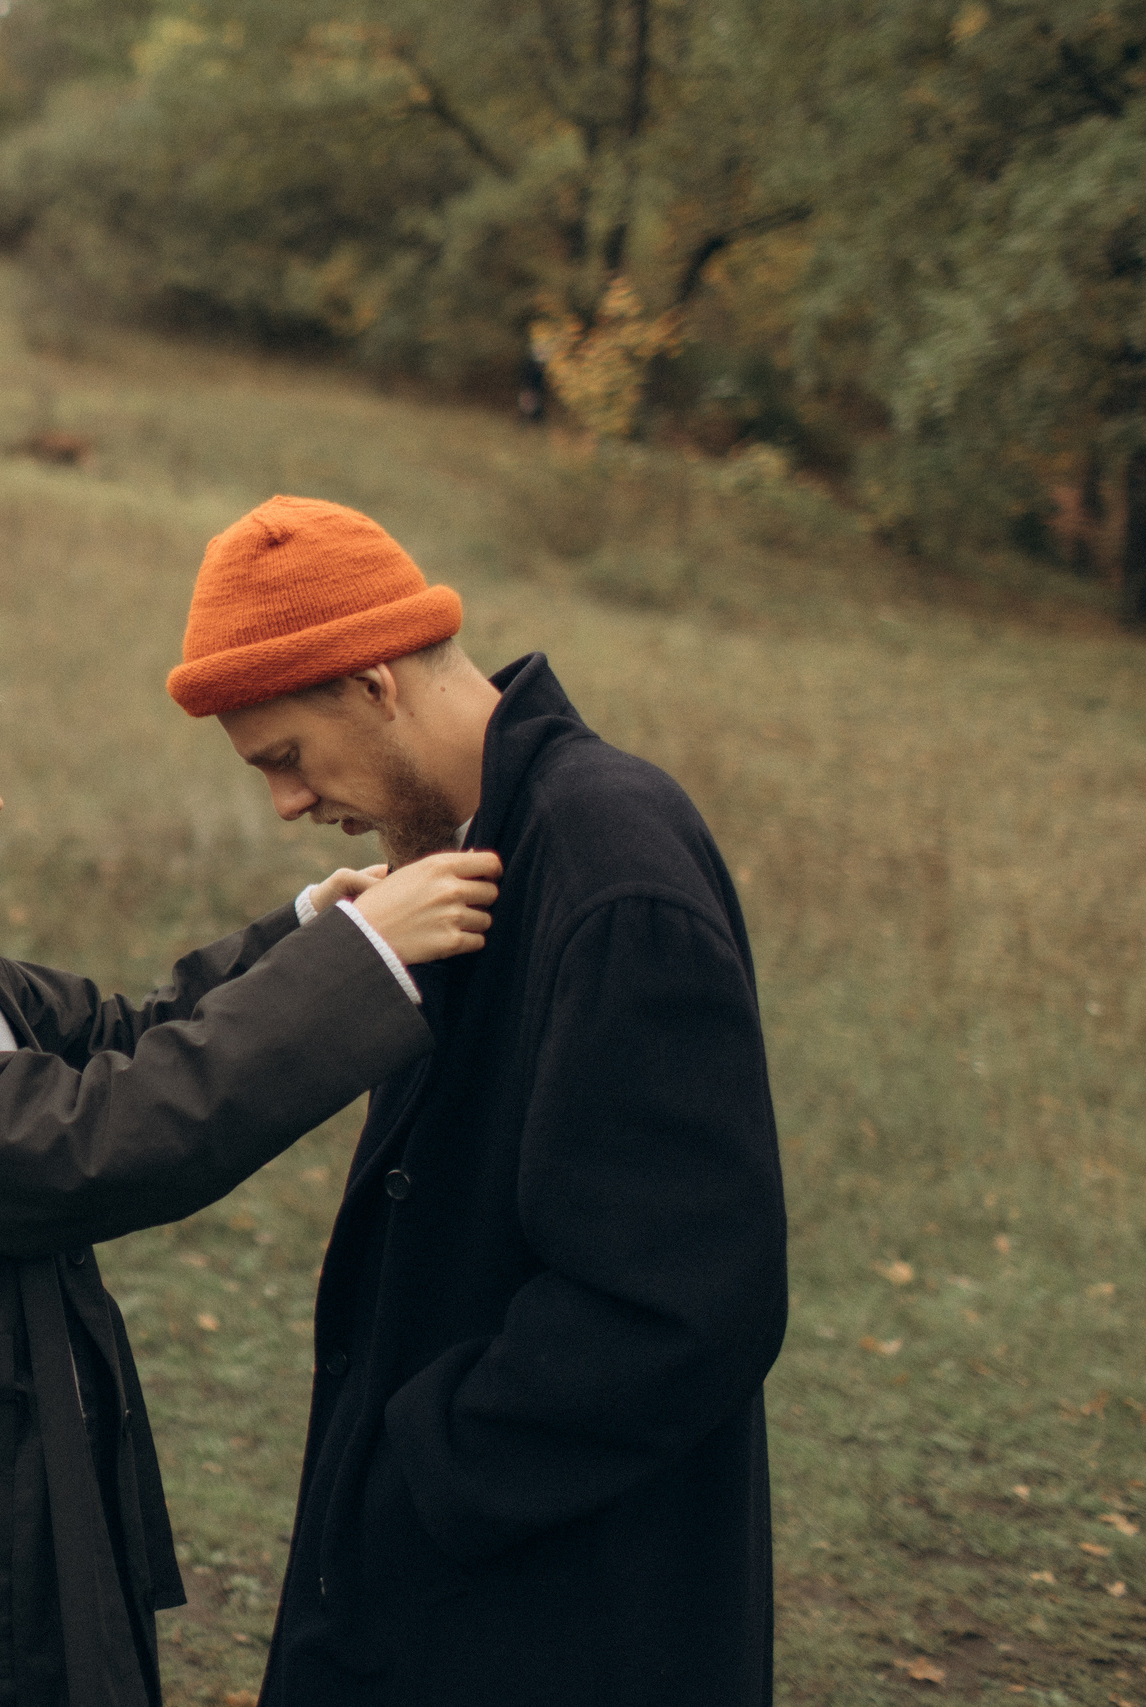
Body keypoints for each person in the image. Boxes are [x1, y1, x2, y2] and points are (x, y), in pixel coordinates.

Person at [0, 599, 504, 1707]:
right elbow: (94, 1139)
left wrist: (308, 932)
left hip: (21, 1456)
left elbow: (122, 1040)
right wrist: (358, 969)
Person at [163, 497, 789, 1706]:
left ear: (373, 684)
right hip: (470, 1592)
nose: (286, 806)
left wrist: (417, 1471)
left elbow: (685, 1301)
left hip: (564, 1615)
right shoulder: (467, 857)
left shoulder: (611, 869)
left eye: (286, 757)